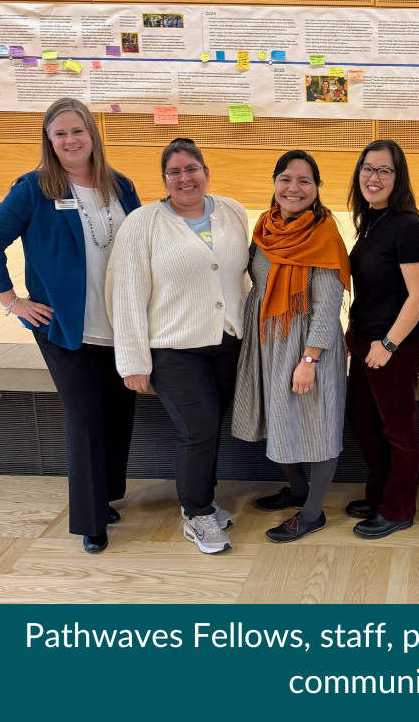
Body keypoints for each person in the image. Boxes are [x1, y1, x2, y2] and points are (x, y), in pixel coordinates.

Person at [0, 98, 140, 554]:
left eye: (78, 131)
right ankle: (90, 522)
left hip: (118, 324)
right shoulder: (34, 188)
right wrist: (12, 302)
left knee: (116, 412)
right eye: (60, 133)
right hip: (64, 327)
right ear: (49, 141)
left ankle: (103, 496)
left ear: (93, 134)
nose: (71, 140)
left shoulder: (121, 186)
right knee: (84, 417)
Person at [106, 138, 249, 555]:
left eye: (192, 168)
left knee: (207, 428)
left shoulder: (231, 211)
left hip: (225, 343)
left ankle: (203, 498)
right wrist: (132, 361)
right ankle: (196, 512)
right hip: (172, 348)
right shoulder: (143, 223)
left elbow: (239, 276)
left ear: (206, 171)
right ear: (164, 180)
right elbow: (126, 293)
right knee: (198, 429)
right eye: (175, 172)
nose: (185, 178)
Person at [232, 150, 350, 542]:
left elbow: (329, 304)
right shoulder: (264, 228)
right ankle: (298, 490)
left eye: (304, 181)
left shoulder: (324, 235)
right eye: (285, 178)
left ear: (316, 190)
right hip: (267, 342)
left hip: (307, 346)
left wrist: (309, 359)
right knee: (276, 417)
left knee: (319, 425)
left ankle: (313, 512)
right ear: (274, 183)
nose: (293, 188)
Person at [344, 139, 419, 539]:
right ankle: (379, 493)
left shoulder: (410, 227)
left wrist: (389, 343)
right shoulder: (371, 220)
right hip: (363, 341)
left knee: (399, 430)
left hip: (392, 347)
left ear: (398, 178)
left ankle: (398, 509)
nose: (373, 177)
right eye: (367, 168)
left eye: (384, 170)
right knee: (363, 422)